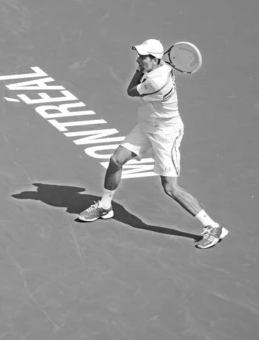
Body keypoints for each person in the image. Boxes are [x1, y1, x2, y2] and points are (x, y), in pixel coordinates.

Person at [77, 39, 228, 249]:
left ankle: (213, 226)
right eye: (138, 56)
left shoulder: (156, 81)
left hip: (166, 133)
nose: (138, 59)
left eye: (143, 57)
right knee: (115, 160)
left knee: (170, 188)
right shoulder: (161, 66)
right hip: (147, 126)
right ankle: (105, 206)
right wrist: (142, 67)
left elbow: (131, 91)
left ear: (155, 59)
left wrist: (139, 70)